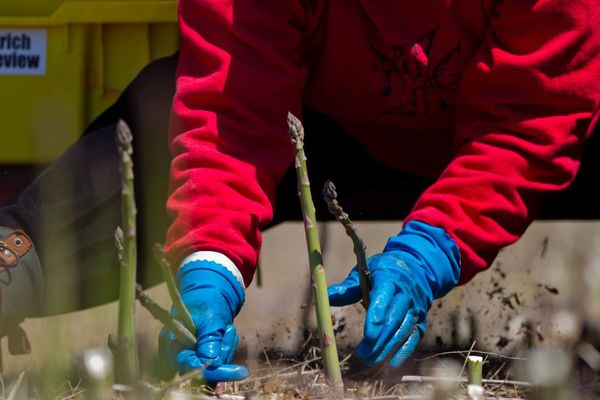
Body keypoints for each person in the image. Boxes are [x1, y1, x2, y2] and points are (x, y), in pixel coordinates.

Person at [1, 0, 599, 382]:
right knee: (159, 114)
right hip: (319, 125)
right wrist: (207, 263)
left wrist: (435, 247)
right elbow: (229, 114)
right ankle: (14, 258)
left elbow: (534, 117)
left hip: (529, 140)